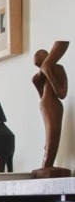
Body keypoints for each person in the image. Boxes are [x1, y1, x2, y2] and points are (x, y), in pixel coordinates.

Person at [33, 40, 70, 177]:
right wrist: (38, 82)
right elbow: (42, 95)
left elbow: (61, 93)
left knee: (53, 135)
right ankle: (46, 164)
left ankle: (47, 164)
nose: (40, 67)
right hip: (45, 105)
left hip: (54, 105)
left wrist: (48, 72)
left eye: (40, 63)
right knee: (49, 137)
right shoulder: (43, 72)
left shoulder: (58, 69)